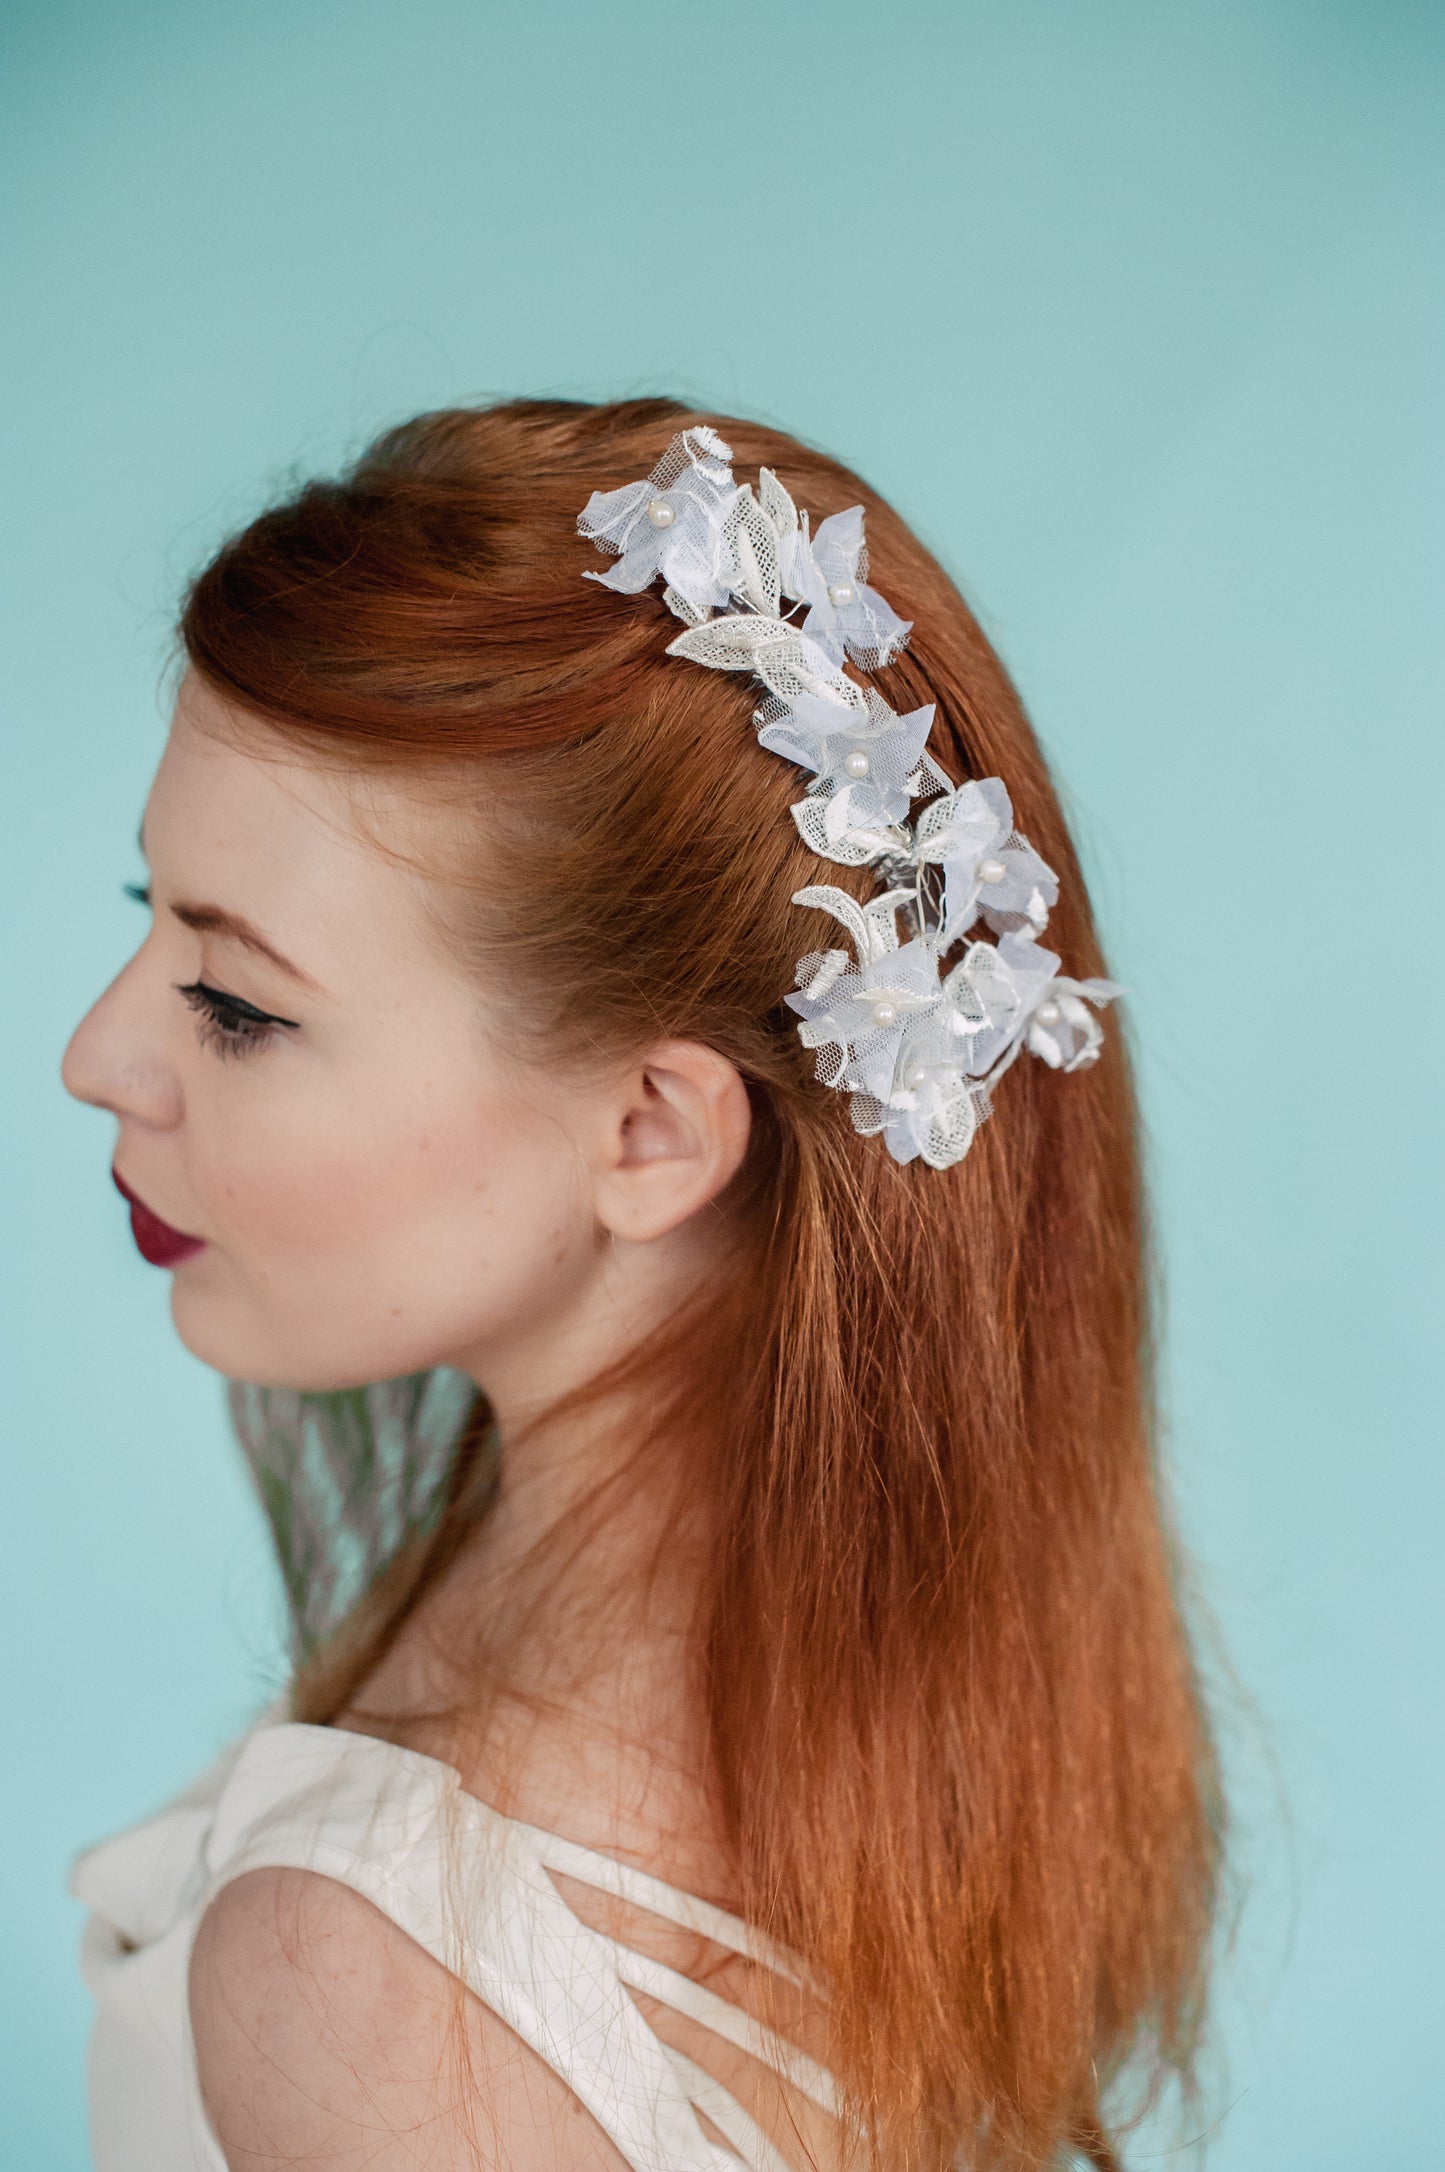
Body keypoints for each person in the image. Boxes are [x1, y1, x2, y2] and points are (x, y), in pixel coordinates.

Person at [61, 399, 1221, 2172]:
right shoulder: (947, 1720)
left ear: (649, 1134)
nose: (96, 1057)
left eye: (238, 1004)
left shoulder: (368, 1976)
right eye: (151, 920)